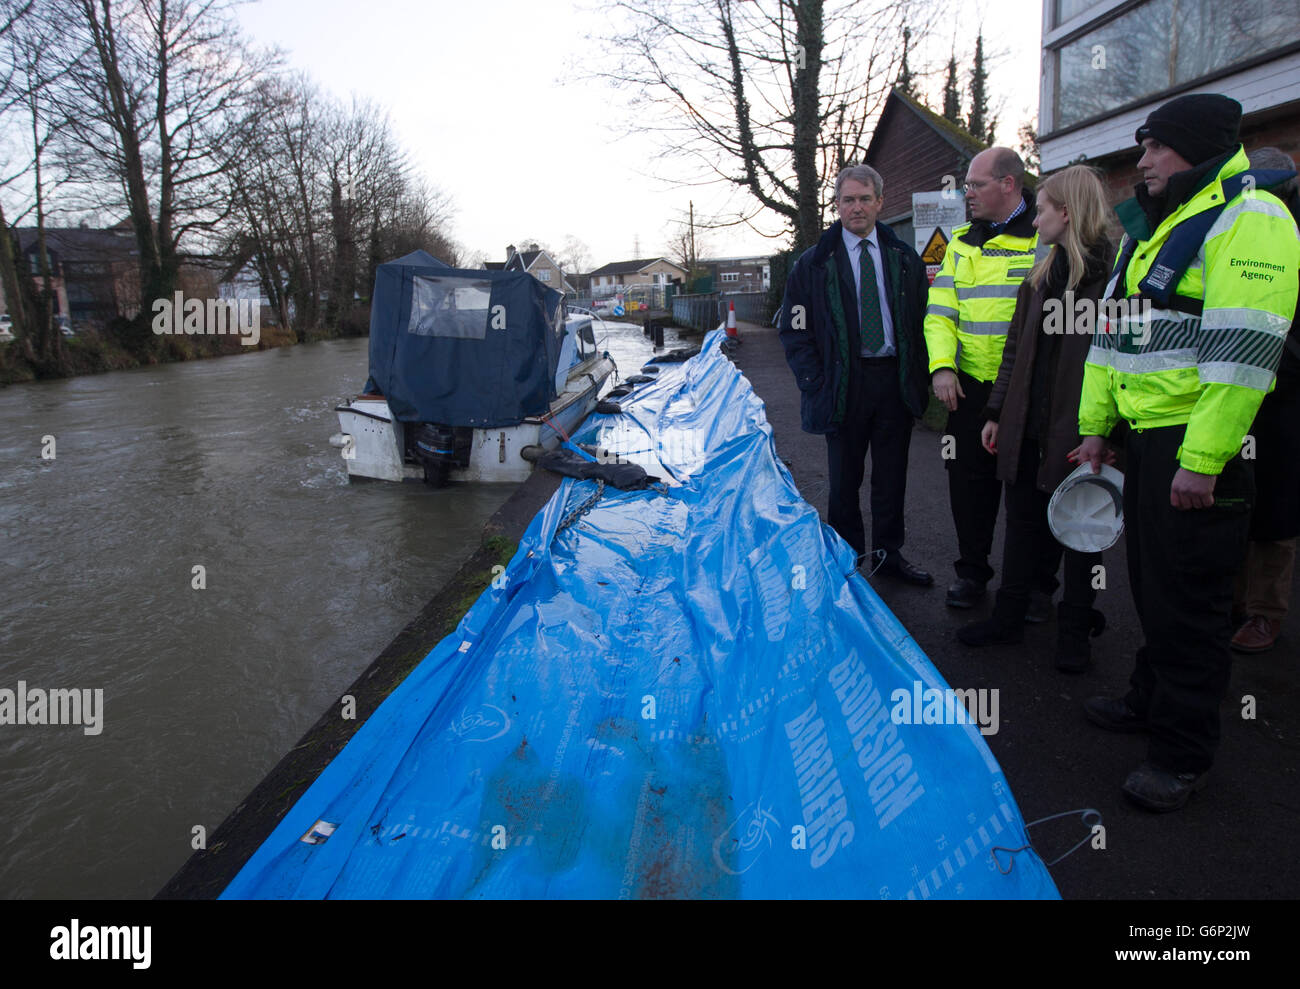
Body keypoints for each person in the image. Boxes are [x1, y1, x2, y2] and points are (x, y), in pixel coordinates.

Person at [1073, 94, 1300, 812]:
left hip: (1201, 448)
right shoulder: (1161, 225)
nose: (1141, 161)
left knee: (1193, 606)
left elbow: (1245, 351)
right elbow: (1112, 337)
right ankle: (1149, 699)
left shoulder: (1250, 219)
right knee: (1153, 589)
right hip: (1147, 442)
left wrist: (1202, 458)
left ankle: (1181, 754)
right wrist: (1096, 426)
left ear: (1195, 149)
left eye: (1153, 147)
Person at [957, 165, 1116, 671]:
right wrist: (998, 412)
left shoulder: (1113, 281)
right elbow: (1013, 352)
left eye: (1042, 207)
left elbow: (1122, 361)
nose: (1036, 216)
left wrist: (1106, 432)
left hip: (1081, 431)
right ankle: (1008, 617)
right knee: (1022, 524)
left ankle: (1076, 634)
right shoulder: (1041, 274)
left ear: (1065, 213)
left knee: (1082, 533)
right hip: (1027, 426)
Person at [778, 163, 933, 585]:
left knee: (891, 478)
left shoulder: (904, 259)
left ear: (880, 203)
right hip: (843, 384)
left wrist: (920, 374)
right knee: (844, 482)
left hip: (893, 381)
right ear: (837, 205)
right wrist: (816, 383)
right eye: (848, 199)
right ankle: (847, 560)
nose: (857, 207)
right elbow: (794, 329)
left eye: (865, 199)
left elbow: (924, 320)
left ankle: (889, 557)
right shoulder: (812, 265)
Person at [924, 148, 1050, 611]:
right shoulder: (960, 243)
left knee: (1031, 490)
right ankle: (972, 573)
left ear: (1009, 185)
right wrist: (942, 366)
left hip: (1027, 390)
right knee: (969, 486)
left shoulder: (1044, 238)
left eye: (975, 184)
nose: (967, 193)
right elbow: (940, 314)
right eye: (967, 185)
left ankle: (1036, 586)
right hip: (971, 388)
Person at [1230, 147, 1300, 654]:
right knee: (1236, 499)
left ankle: (1265, 613)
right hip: (1237, 389)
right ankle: (1232, 601)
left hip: (1286, 397)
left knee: (1278, 510)